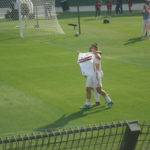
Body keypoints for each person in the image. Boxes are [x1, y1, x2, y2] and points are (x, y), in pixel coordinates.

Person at [80, 43, 113, 109]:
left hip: (96, 74)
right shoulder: (89, 55)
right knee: (88, 88)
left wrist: (95, 53)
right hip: (90, 74)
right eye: (90, 48)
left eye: (92, 48)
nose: (91, 49)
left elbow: (99, 57)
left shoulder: (97, 55)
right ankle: (87, 104)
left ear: (95, 49)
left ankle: (109, 101)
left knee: (99, 90)